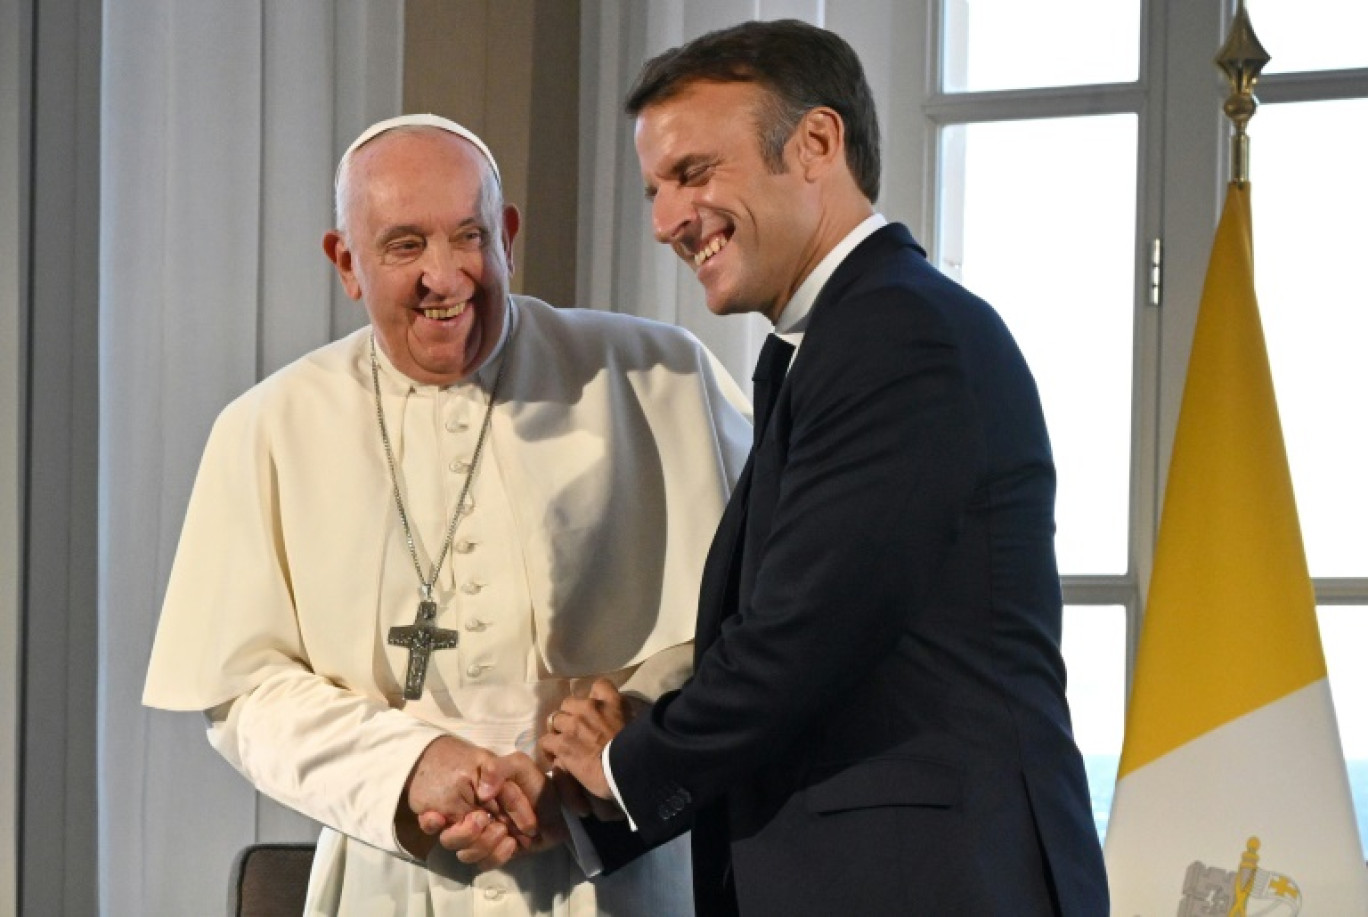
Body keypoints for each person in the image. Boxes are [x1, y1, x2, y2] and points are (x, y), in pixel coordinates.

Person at [538, 19, 1111, 916]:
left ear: (814, 144)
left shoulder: (899, 333)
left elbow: (805, 631)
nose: (664, 222)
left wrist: (625, 763)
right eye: (654, 189)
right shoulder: (839, 339)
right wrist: (595, 785)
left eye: (692, 173)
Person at [142, 113, 751, 915]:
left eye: (468, 236)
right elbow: (242, 692)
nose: (445, 276)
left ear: (507, 234)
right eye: (403, 245)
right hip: (396, 875)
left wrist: (624, 736)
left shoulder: (657, 374)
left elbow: (751, 618)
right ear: (345, 263)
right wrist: (415, 765)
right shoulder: (268, 426)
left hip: (620, 867)